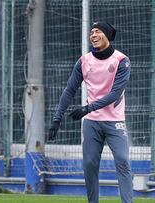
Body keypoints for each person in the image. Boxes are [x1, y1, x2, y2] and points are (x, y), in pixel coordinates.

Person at [48, 21, 133, 203]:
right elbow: (69, 90)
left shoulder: (121, 61)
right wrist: (57, 118)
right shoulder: (84, 61)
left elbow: (114, 94)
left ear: (107, 35)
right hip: (92, 122)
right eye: (91, 32)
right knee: (89, 165)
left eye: (98, 31)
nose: (93, 35)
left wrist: (87, 108)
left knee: (123, 161)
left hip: (114, 121)